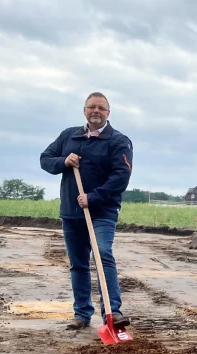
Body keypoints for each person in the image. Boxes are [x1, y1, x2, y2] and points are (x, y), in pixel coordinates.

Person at [39, 92, 134, 330]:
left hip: (102, 211)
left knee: (102, 254)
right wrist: (63, 161)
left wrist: (93, 197)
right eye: (92, 107)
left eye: (101, 108)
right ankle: (82, 314)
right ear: (84, 110)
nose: (96, 111)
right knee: (78, 263)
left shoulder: (118, 141)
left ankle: (113, 311)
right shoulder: (69, 136)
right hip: (72, 212)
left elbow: (121, 177)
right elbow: (45, 159)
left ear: (108, 113)